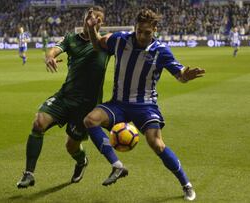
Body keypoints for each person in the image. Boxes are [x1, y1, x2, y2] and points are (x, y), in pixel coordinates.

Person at [84, 8, 205, 201]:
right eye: (139, 30)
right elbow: (98, 44)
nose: (141, 35)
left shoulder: (161, 51)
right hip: (119, 104)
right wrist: (91, 29)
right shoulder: (120, 39)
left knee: (156, 143)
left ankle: (186, 184)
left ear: (155, 29)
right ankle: (117, 166)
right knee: (90, 120)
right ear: (135, 27)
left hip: (145, 106)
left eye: (146, 32)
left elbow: (180, 75)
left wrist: (186, 76)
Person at [16, 6, 110, 188]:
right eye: (89, 18)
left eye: (97, 19)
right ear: (84, 19)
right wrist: (49, 57)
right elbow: (53, 50)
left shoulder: (106, 44)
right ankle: (28, 174)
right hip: (65, 97)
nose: (92, 21)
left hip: (86, 107)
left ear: (101, 23)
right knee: (38, 123)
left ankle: (82, 161)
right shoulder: (71, 39)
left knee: (71, 147)